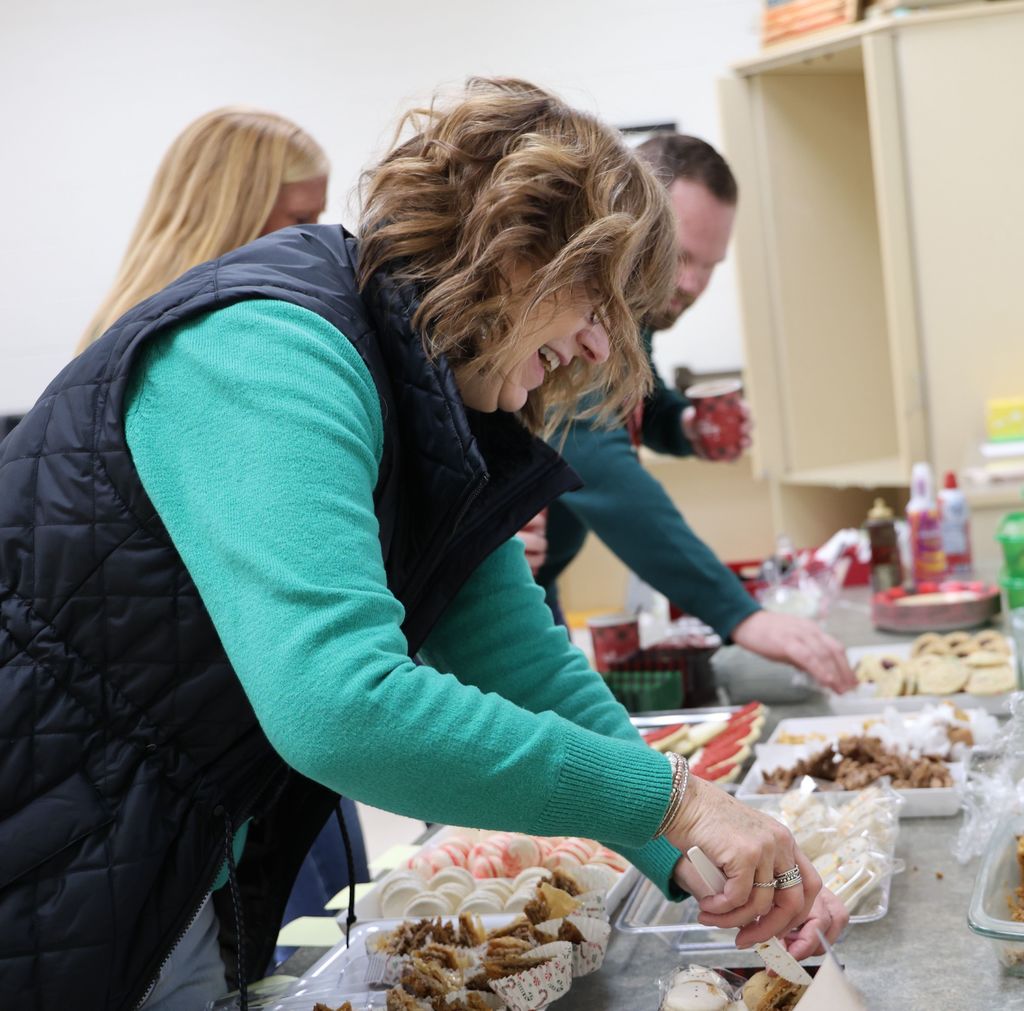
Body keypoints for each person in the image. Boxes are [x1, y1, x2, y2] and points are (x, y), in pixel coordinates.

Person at [0, 80, 845, 1011]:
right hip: (43, 850)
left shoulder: (439, 394)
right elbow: (342, 704)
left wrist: (697, 839)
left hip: (152, 863)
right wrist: (672, 801)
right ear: (516, 246)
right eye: (594, 302)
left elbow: (523, 664)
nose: (603, 349)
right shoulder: (272, 345)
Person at [72, 104, 366, 956]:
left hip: (261, 728)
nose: (319, 245)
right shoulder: (203, 359)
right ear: (229, 212)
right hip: (211, 757)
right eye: (299, 220)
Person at [534, 133, 857, 695]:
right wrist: (740, 615)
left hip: (538, 581)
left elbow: (634, 397)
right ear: (632, 216)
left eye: (709, 266)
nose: (691, 283)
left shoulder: (633, 314)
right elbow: (594, 457)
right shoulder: (588, 305)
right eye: (681, 255)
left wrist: (682, 427)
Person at [76, 105, 330, 351]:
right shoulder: (217, 331)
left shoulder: (114, 330)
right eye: (301, 218)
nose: (314, 236)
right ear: (235, 216)